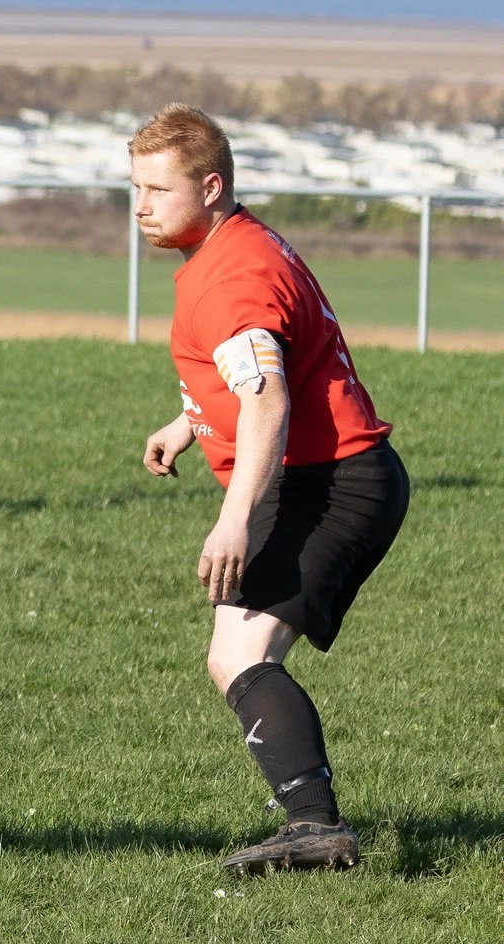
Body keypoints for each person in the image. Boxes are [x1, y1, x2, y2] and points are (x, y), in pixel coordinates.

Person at [133, 104, 408, 875]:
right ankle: (312, 822)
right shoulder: (238, 244)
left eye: (157, 189)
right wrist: (189, 422)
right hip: (331, 474)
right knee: (236, 651)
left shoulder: (232, 277)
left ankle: (316, 825)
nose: (141, 206)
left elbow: (267, 399)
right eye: (135, 187)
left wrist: (233, 521)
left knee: (242, 649)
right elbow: (264, 372)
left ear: (211, 186)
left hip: (334, 483)